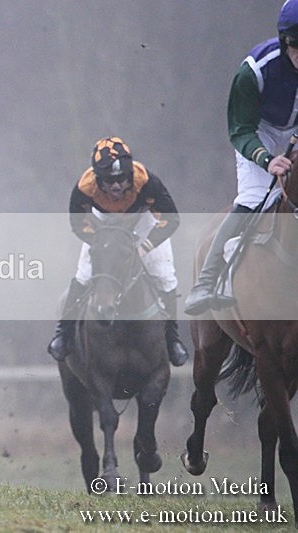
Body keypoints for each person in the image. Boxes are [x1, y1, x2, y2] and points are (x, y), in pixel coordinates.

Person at [184, 0, 298, 315]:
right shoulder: (255, 70)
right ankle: (207, 281)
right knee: (252, 197)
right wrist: (266, 160)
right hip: (258, 130)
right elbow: (240, 129)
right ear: (286, 42)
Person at [47, 137, 188, 367]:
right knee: (84, 274)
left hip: (143, 222)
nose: (116, 186)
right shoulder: (84, 188)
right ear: (97, 179)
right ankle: (63, 334)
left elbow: (171, 220)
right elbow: (78, 224)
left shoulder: (147, 181)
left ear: (130, 174)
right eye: (108, 181)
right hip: (105, 225)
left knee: (165, 276)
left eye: (121, 179)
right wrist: (101, 244)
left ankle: (172, 339)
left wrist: (145, 247)